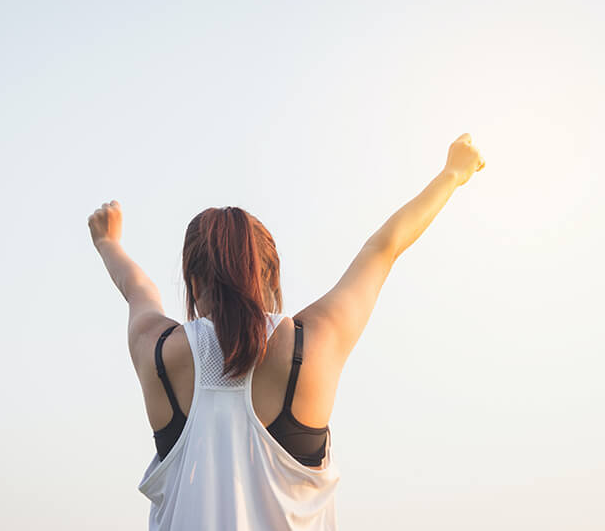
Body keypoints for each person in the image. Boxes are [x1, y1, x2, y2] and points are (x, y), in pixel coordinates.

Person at [87, 133, 485, 530]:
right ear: (272, 275)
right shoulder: (314, 344)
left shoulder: (158, 353)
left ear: (192, 284)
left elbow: (138, 289)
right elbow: (382, 249)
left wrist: (108, 242)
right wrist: (452, 173)